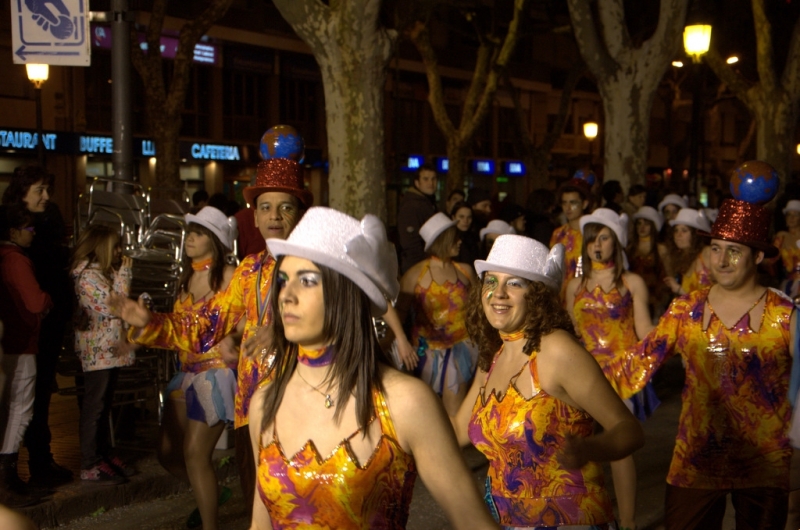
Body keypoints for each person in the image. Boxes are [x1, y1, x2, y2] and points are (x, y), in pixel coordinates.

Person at [247, 206, 498, 529]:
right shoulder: (265, 403)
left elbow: (474, 523)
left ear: (348, 292)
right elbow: (260, 524)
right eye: (283, 281)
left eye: (307, 281)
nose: (287, 296)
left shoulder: (403, 402)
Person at [112, 156, 311, 518]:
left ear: (300, 214)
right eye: (265, 207)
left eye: (285, 207)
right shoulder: (249, 270)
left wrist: (285, 332)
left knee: (301, 506)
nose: (274, 216)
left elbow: (339, 323)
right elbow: (207, 326)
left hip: (302, 402)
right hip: (252, 404)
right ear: (254, 216)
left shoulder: (317, 267)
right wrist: (152, 323)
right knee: (258, 504)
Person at [601, 161, 795, 529]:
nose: (721, 260)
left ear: (757, 256)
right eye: (716, 249)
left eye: (734, 251)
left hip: (764, 464)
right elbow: (637, 362)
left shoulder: (785, 316)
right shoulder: (686, 310)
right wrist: (573, 383)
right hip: (696, 461)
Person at [451, 234, 644, 528]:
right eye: (491, 281)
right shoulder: (493, 357)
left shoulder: (556, 350)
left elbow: (629, 430)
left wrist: (590, 449)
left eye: (514, 283)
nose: (498, 293)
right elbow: (457, 431)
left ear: (537, 295)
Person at [126, 206, 237, 528]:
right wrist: (140, 335)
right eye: (189, 233)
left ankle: (209, 525)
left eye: (198, 233)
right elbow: (177, 329)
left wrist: (234, 338)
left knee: (194, 454)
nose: (190, 239)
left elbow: (248, 318)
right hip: (186, 372)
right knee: (167, 453)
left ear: (215, 240)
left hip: (215, 375)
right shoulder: (185, 278)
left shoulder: (230, 276)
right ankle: (212, 492)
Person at [565, 208, 656, 530]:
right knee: (578, 443)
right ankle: (585, 516)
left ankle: (628, 523)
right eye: (591, 239)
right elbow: (570, 334)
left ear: (616, 241)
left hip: (620, 373)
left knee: (619, 447)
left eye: (603, 238)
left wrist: (677, 337)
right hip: (583, 373)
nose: (596, 245)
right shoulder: (574, 286)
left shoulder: (632, 282)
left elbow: (645, 330)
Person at [2, 166, 73, 487]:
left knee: (38, 394)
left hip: (46, 322)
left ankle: (39, 458)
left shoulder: (46, 221)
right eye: (39, 190)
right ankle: (20, 463)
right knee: (23, 398)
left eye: (47, 190)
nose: (46, 197)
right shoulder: (18, 236)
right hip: (27, 323)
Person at [394, 213, 478, 417]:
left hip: (461, 349)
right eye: (455, 238)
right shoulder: (415, 274)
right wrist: (399, 342)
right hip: (426, 351)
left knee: (454, 412)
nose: (459, 241)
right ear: (443, 241)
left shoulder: (465, 271)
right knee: (427, 412)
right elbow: (399, 314)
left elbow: (479, 308)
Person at [71, 225, 135, 485]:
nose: (120, 251)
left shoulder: (101, 273)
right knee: (95, 406)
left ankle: (104, 454)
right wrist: (125, 274)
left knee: (104, 404)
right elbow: (117, 306)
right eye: (115, 246)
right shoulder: (87, 277)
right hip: (98, 351)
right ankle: (90, 463)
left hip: (109, 349)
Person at [0, 205, 52, 507]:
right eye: (29, 229)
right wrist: (48, 300)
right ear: (13, 232)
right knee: (20, 409)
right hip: (21, 343)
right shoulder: (16, 260)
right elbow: (35, 302)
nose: (32, 234)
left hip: (7, 341)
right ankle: (6, 476)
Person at [550, 176, 592, 303]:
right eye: (564, 203)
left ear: (584, 204)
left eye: (573, 203)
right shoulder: (558, 234)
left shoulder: (592, 234)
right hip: (560, 296)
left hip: (586, 295)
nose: (568, 207)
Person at [628, 206, 669, 317]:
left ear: (653, 226)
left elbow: (668, 276)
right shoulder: (629, 249)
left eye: (646, 224)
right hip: (632, 297)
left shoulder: (661, 249)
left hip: (655, 300)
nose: (642, 227)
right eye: (639, 223)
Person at [397, 164, 438, 274]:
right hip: (418, 267)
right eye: (426, 179)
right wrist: (423, 267)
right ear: (417, 183)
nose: (430, 183)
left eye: (433, 179)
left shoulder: (427, 203)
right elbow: (410, 242)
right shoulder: (411, 206)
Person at [663, 208, 713, 297]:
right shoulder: (680, 257)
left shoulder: (707, 252)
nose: (678, 235)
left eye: (684, 230)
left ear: (695, 235)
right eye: (676, 230)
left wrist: (679, 289)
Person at [771, 200, 800, 300]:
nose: (791, 218)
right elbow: (772, 259)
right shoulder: (782, 236)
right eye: (789, 215)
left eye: (795, 215)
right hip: (789, 283)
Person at [451, 200, 481, 264]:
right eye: (461, 217)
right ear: (453, 217)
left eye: (469, 217)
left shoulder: (474, 239)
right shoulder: (448, 239)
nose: (466, 221)